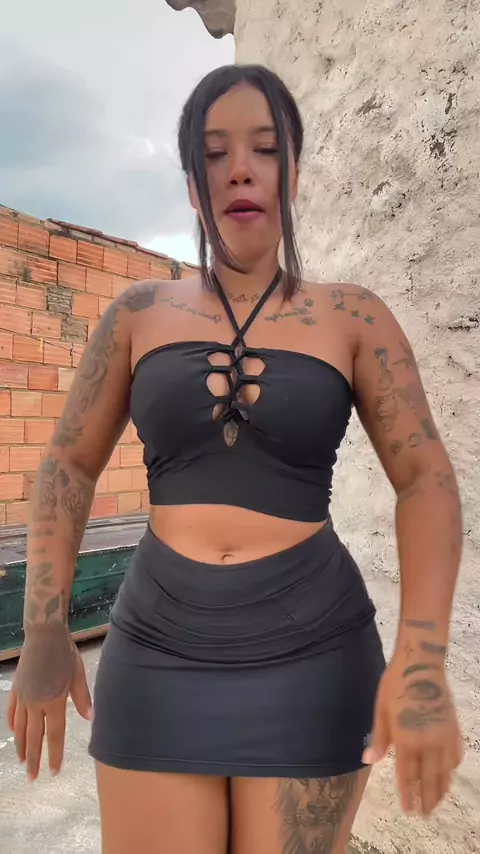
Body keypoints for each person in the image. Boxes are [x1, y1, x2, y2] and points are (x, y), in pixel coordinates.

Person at [8, 64, 463, 854]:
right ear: (194, 185)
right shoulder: (137, 314)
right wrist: (44, 624)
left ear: (294, 174)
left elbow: (425, 477)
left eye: (265, 148)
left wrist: (422, 658)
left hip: (315, 653)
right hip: (157, 648)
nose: (241, 169)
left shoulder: (353, 316)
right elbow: (69, 465)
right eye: (215, 153)